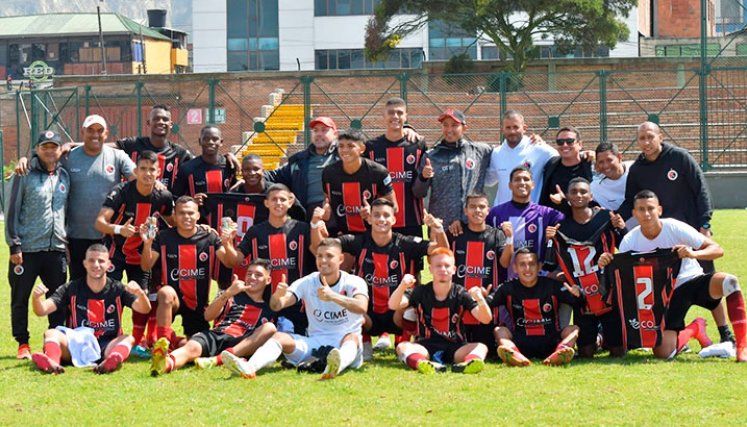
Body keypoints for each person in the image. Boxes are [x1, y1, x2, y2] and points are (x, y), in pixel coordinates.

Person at [617, 122, 732, 343]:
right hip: (661, 238)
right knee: (667, 290)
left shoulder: (679, 157)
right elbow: (629, 200)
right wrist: (613, 217)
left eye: (650, 137)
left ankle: (725, 332)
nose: (646, 142)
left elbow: (701, 190)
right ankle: (671, 331)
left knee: (707, 283)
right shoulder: (638, 169)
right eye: (641, 138)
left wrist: (705, 225)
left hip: (688, 234)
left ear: (660, 137)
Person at [599, 190, 747, 362]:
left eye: (650, 208)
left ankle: (742, 346)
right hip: (664, 295)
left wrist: (693, 254)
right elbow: (624, 276)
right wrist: (606, 262)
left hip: (691, 281)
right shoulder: (630, 241)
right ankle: (694, 329)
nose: (646, 214)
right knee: (663, 353)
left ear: (659, 210)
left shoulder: (674, 227)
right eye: (641, 209)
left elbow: (717, 249)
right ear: (634, 213)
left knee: (729, 281)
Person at [310, 197, 449, 358]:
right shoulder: (358, 241)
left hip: (397, 313)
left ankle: (402, 343)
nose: (381, 219)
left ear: (393, 219)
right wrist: (315, 224)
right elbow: (319, 248)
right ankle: (364, 342)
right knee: (347, 303)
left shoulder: (406, 243)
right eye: (376, 215)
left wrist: (438, 229)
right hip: (369, 314)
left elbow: (443, 252)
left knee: (410, 306)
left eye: (386, 215)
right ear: (369, 218)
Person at [220, 238, 369, 380]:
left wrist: (333, 296)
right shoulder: (307, 281)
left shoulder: (354, 281)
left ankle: (335, 366)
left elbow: (361, 306)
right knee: (279, 337)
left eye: (329, 256)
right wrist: (277, 296)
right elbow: (277, 305)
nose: (323, 261)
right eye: (319, 256)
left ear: (341, 259)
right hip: (316, 343)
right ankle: (249, 367)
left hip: (347, 345)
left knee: (352, 337)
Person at [29, 244, 151, 374]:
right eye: (92, 261)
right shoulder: (72, 288)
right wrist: (36, 299)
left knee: (128, 338)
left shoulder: (117, 288)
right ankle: (52, 362)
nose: (96, 265)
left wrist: (140, 294)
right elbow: (42, 310)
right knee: (51, 333)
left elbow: (144, 309)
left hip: (107, 345)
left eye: (101, 261)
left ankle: (112, 360)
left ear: (109, 265)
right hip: (76, 343)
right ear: (85, 264)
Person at [94, 150, 174, 347]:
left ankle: (140, 341)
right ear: (136, 171)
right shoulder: (121, 191)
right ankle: (109, 335)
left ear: (158, 172)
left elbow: (174, 223)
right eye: (143, 169)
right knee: (110, 292)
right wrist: (121, 229)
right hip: (116, 250)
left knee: (142, 296)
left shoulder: (163, 196)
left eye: (152, 169)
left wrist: (200, 228)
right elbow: (99, 223)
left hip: (141, 253)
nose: (147, 173)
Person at [150, 259, 277, 375]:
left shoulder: (271, 308)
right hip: (217, 335)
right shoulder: (232, 295)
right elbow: (208, 316)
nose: (252, 278)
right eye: (249, 274)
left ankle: (216, 360)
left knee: (270, 327)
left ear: (268, 280)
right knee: (191, 348)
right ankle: (164, 364)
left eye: (258, 275)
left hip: (241, 343)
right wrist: (227, 293)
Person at [140, 196, 238, 347]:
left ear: (198, 215)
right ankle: (162, 345)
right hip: (174, 301)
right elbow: (146, 266)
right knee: (165, 292)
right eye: (182, 213)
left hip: (199, 306)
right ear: (174, 215)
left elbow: (230, 262)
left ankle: (176, 341)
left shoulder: (210, 236)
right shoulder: (163, 237)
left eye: (191, 213)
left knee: (193, 346)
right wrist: (147, 245)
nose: (187, 217)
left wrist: (227, 242)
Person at [544, 177, 626, 357]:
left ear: (591, 196)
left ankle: (604, 338)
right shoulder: (561, 226)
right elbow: (549, 264)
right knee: (586, 353)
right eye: (573, 192)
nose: (578, 195)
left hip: (608, 291)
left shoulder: (606, 217)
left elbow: (626, 245)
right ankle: (596, 339)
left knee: (618, 351)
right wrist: (549, 241)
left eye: (583, 191)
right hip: (582, 295)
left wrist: (621, 227)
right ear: (568, 196)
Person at [5, 130, 69, 359]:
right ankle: (23, 343)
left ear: (60, 150)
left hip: (56, 250)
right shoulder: (24, 174)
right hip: (27, 250)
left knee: (58, 299)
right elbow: (11, 209)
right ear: (37, 150)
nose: (50, 151)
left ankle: (55, 339)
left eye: (55, 146)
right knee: (20, 297)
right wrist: (14, 245)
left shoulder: (64, 175)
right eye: (45, 146)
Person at [388, 248, 492, 374]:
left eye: (447, 266)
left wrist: (480, 299)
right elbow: (393, 305)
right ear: (431, 269)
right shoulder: (420, 291)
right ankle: (422, 363)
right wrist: (402, 286)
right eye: (438, 266)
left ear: (454, 270)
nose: (443, 269)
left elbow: (486, 319)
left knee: (481, 347)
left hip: (455, 347)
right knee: (402, 347)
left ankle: (468, 364)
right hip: (425, 346)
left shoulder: (461, 293)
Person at [230, 184, 313, 335]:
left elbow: (318, 251)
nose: (278, 203)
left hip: (297, 303)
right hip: (264, 303)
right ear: (266, 203)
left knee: (295, 341)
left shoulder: (302, 229)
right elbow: (235, 260)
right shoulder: (255, 232)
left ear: (290, 201)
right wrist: (225, 243)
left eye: (282, 199)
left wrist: (318, 224)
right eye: (274, 199)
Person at [490, 248, 584, 366]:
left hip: (551, 342)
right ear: (515, 268)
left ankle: (561, 352)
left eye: (531, 264)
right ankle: (513, 354)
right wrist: (481, 297)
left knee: (573, 329)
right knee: (499, 330)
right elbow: (489, 303)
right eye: (522, 264)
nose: (527, 269)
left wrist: (578, 294)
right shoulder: (507, 288)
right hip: (520, 342)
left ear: (539, 266)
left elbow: (579, 303)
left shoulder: (553, 286)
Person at [445, 192, 513, 353]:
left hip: (486, 302)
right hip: (459, 304)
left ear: (488, 210)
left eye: (482, 207)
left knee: (487, 350)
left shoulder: (496, 235)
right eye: (473, 207)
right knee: (457, 348)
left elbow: (504, 263)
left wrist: (510, 238)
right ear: (465, 210)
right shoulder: (456, 233)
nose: (477, 210)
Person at [413, 109, 492, 229]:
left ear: (464, 128)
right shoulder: (431, 156)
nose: (449, 130)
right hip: (441, 227)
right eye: (445, 125)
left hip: (471, 227)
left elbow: (508, 150)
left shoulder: (480, 151)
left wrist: (530, 141)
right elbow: (418, 192)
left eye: (454, 125)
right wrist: (423, 177)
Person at [365, 97, 429, 237]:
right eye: (391, 113)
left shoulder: (418, 144)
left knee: (413, 259)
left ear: (406, 117)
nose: (395, 116)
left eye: (400, 113)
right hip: (381, 221)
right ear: (384, 116)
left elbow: (423, 181)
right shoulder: (371, 147)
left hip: (412, 220)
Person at [486, 166, 564, 278]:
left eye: (526, 179)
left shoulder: (545, 213)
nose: (522, 183)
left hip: (537, 280)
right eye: (517, 179)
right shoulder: (495, 213)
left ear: (533, 185)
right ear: (510, 185)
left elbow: (571, 223)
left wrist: (563, 203)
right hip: (504, 280)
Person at [321, 128, 396, 235]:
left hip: (372, 234)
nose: (345, 150)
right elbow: (327, 199)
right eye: (341, 146)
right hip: (341, 234)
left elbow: (394, 206)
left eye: (351, 146)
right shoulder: (329, 173)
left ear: (362, 148)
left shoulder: (378, 172)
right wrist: (326, 209)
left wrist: (374, 211)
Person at [265, 116, 340, 214]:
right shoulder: (299, 160)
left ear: (335, 134)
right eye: (315, 130)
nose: (319, 134)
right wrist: (250, 179)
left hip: (337, 213)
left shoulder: (343, 156)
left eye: (324, 130)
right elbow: (272, 176)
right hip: (306, 214)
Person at [485, 110, 558, 205]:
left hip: (530, 215)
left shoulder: (539, 149)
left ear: (524, 128)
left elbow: (564, 159)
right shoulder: (496, 153)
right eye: (508, 127)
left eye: (516, 127)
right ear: (502, 130)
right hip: (501, 216)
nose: (512, 131)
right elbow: (489, 181)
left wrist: (581, 155)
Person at [114, 104, 194, 191]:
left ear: (171, 124)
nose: (161, 122)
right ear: (149, 123)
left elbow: (200, 164)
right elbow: (104, 148)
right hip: (132, 202)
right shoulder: (133, 144)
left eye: (165, 119)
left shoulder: (179, 153)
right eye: (156, 119)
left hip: (165, 202)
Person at [171, 125, 237, 207]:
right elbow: (176, 199)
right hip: (197, 218)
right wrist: (192, 202)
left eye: (215, 139)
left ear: (221, 142)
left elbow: (237, 195)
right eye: (206, 139)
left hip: (224, 218)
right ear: (200, 141)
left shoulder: (230, 166)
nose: (210, 142)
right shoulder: (187, 168)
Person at [539, 126, 593, 215]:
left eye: (569, 141)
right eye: (560, 142)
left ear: (580, 144)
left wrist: (563, 200)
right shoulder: (551, 165)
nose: (564, 145)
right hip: (557, 223)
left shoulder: (589, 165)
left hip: (585, 222)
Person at [590, 142, 632, 212]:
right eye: (601, 162)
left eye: (609, 160)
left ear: (619, 157)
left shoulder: (636, 172)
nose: (606, 165)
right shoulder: (594, 188)